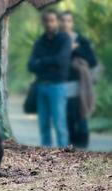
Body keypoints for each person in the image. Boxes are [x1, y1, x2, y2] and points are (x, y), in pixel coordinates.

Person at [28, 10, 72, 147]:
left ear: (57, 22)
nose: (49, 23)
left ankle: (65, 155)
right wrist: (48, 62)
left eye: (52, 20)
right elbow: (31, 65)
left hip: (57, 86)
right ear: (43, 22)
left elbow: (61, 61)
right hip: (41, 87)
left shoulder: (64, 39)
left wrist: (41, 62)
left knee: (60, 124)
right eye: (46, 21)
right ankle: (47, 153)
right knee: (44, 125)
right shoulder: (40, 41)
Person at [60, 11, 97, 148]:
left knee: (81, 117)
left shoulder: (82, 41)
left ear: (72, 23)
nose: (65, 24)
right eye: (63, 21)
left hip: (80, 87)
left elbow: (92, 61)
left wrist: (77, 51)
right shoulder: (55, 41)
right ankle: (70, 148)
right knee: (67, 119)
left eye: (68, 21)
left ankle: (83, 147)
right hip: (61, 86)